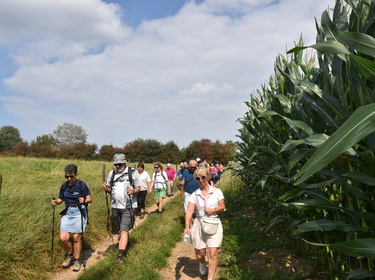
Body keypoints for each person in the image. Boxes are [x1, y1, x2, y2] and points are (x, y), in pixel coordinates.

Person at [183, 167, 225, 280]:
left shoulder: (217, 192)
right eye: (198, 178)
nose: (201, 180)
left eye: (203, 177)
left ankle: (210, 278)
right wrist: (187, 226)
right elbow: (190, 211)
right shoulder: (194, 195)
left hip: (214, 223)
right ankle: (202, 263)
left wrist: (214, 210)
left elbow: (222, 207)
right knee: (200, 254)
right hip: (199, 224)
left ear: (208, 176)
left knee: (212, 253)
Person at [51, 164, 92, 272]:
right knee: (63, 238)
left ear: (76, 174)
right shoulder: (64, 186)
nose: (69, 179)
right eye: (67, 176)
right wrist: (56, 202)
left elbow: (89, 198)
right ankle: (70, 255)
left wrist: (84, 200)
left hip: (79, 211)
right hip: (67, 212)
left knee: (76, 237)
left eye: (71, 176)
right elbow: (61, 199)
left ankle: (77, 260)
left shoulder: (81, 185)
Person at [102, 153, 140, 263]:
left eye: (119, 164)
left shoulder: (132, 172)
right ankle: (124, 242)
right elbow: (110, 189)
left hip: (128, 206)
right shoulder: (112, 173)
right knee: (120, 229)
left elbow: (138, 188)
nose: (117, 166)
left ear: (124, 163)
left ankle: (120, 255)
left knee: (124, 230)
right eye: (115, 164)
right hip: (115, 206)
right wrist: (106, 188)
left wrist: (133, 191)